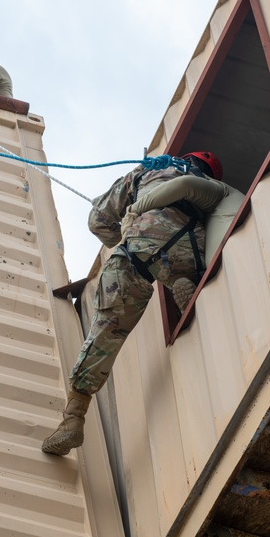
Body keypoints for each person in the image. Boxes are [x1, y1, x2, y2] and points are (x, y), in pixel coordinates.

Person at [42, 151, 233, 456]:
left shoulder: (146, 171)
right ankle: (184, 285)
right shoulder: (208, 186)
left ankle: (73, 419)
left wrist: (126, 236)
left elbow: (98, 220)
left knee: (105, 334)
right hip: (186, 248)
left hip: (138, 247)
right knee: (192, 266)